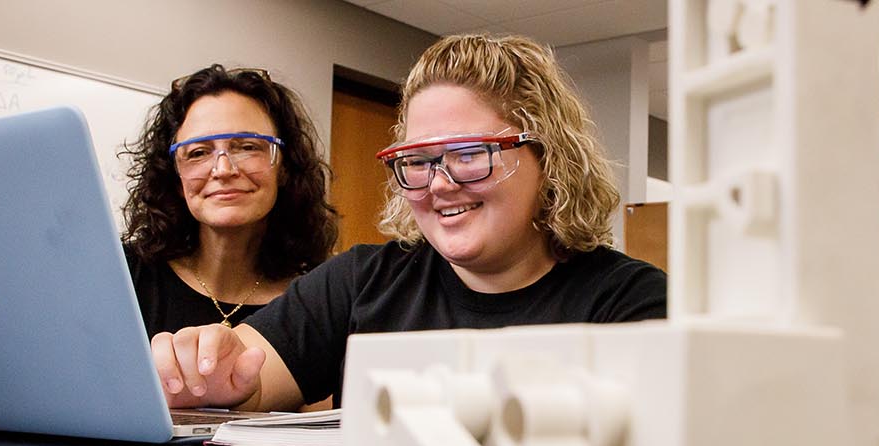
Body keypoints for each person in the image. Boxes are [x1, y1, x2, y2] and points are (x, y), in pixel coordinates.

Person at [150, 35, 667, 411]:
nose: (439, 184)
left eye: (469, 153)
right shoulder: (360, 283)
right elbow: (251, 379)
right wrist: (210, 370)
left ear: (549, 157)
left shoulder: (630, 304)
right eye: (418, 160)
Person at [121, 65, 338, 336]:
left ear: (284, 167)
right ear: (176, 177)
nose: (223, 170)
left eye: (248, 147)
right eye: (199, 153)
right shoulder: (125, 278)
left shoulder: (320, 302)